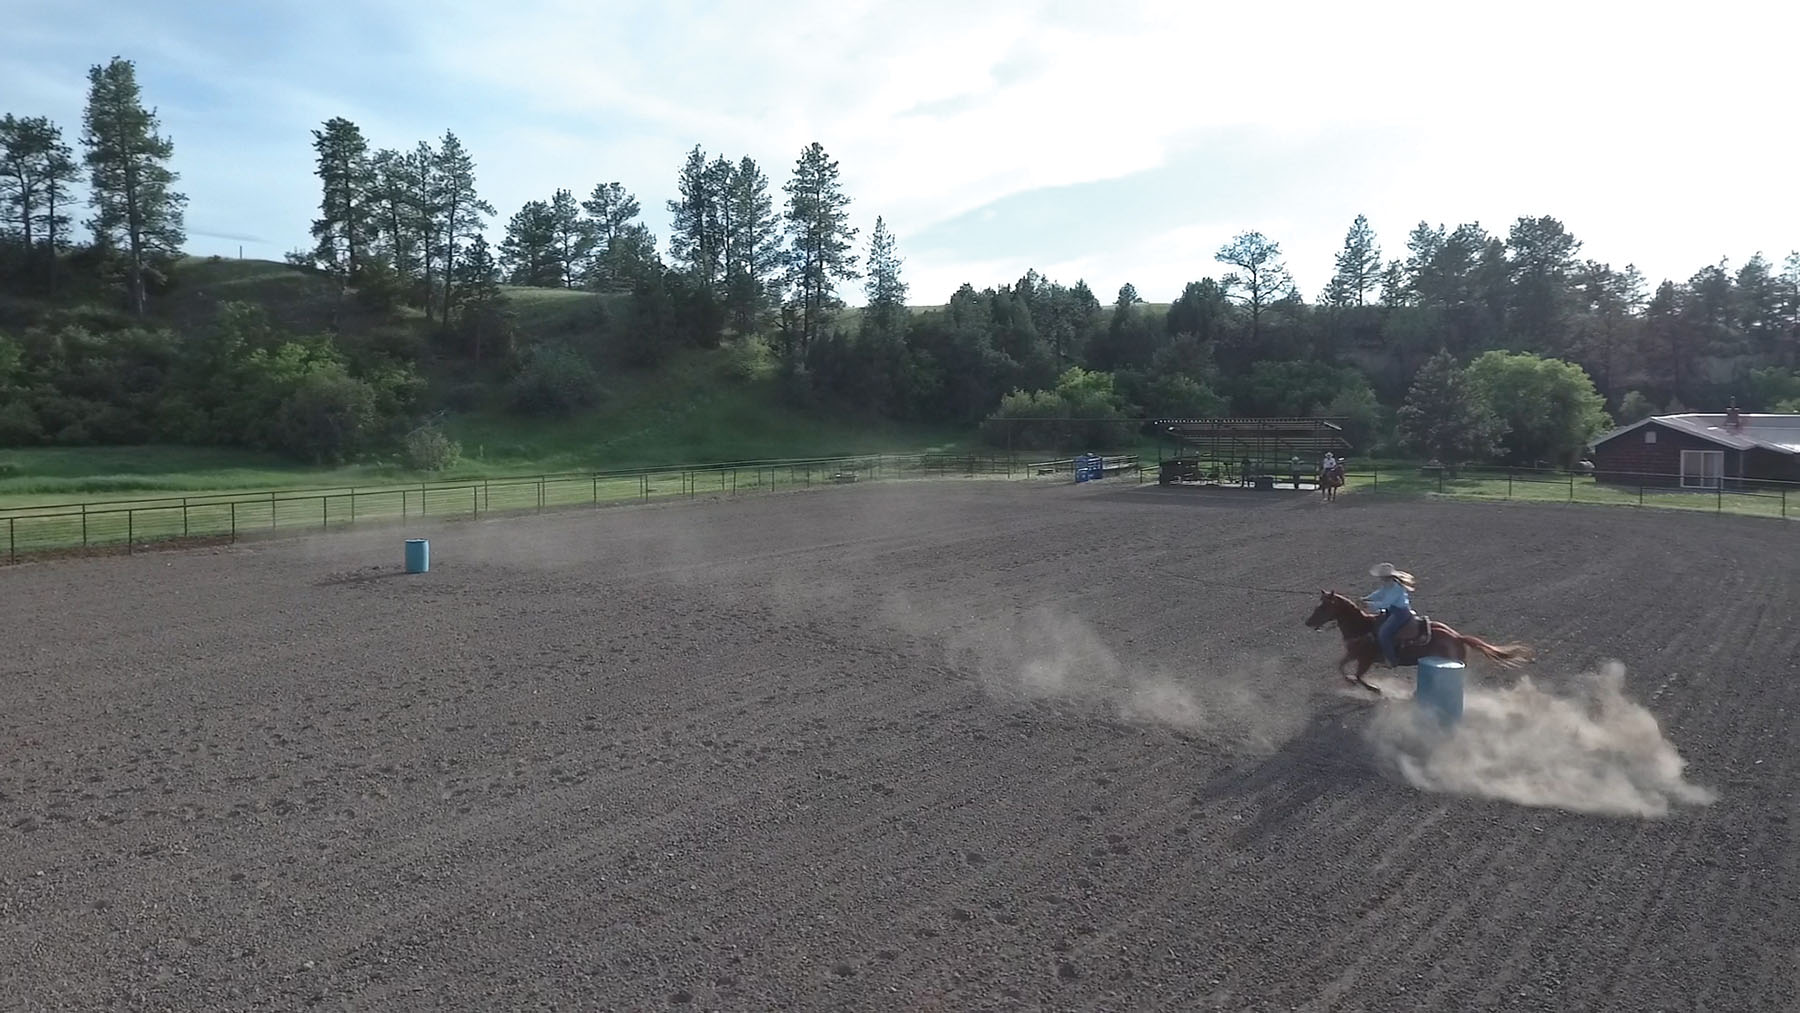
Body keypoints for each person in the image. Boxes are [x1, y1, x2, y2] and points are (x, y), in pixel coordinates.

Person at [1363, 562, 1417, 668]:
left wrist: (1368, 604)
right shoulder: (1388, 585)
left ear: (1386, 577)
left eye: (1381, 576)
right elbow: (1379, 594)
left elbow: (1385, 604)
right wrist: (1366, 598)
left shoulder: (1396, 588)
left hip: (1400, 613)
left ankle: (1392, 660)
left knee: (1384, 634)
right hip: (1393, 611)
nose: (1380, 578)